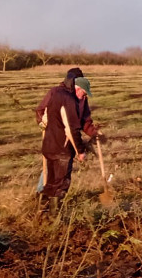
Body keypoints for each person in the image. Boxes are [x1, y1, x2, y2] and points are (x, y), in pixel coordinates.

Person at [34, 69, 99, 210]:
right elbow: (41, 111)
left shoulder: (79, 99)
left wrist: (94, 132)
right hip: (58, 142)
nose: (84, 95)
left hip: (58, 144)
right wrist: (42, 121)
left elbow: (84, 120)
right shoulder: (58, 94)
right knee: (57, 179)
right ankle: (47, 207)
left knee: (55, 178)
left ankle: (45, 209)